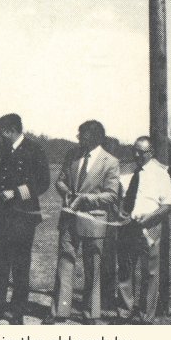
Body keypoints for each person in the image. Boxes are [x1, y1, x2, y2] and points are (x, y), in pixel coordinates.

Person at [43, 120, 119, 325]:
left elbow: (111, 195)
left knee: (92, 267)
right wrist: (66, 193)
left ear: (94, 138)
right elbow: (60, 180)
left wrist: (86, 198)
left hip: (94, 220)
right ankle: (60, 310)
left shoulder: (110, 162)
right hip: (69, 218)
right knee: (65, 262)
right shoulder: (72, 155)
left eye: (82, 135)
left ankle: (91, 314)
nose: (78, 138)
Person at [0, 114, 50, 324]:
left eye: (2, 131)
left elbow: (43, 182)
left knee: (20, 265)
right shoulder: (2, 148)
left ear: (10, 130)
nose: (0, 135)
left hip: (23, 217)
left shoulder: (34, 149)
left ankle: (17, 311)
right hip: (0, 215)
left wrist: (16, 193)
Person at [115, 136, 171, 325]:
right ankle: (125, 312)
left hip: (150, 228)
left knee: (150, 272)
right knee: (125, 268)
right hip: (129, 226)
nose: (137, 154)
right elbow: (123, 198)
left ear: (151, 153)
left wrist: (148, 219)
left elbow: (167, 205)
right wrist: (122, 214)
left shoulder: (160, 174)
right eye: (135, 150)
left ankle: (145, 317)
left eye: (141, 152)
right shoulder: (128, 172)